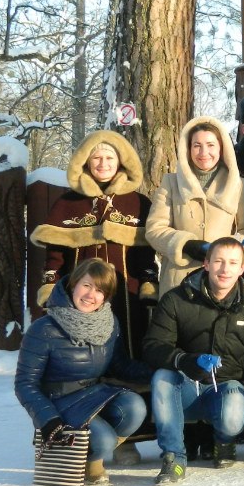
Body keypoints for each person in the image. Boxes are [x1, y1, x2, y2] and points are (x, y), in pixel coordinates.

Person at [15, 259, 152, 486]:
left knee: (134, 407)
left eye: (99, 290)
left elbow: (119, 365)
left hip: (93, 394)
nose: (91, 295)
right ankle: (84, 456)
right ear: (74, 284)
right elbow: (24, 383)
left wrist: (157, 372)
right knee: (105, 440)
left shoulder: (108, 323)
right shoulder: (44, 328)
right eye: (87, 285)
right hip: (59, 402)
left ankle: (87, 458)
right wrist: (47, 418)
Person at [144, 237, 244, 484]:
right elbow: (153, 346)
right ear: (206, 263)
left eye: (233, 263)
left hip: (227, 387)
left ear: (242, 268)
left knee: (233, 411)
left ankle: (224, 440)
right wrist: (184, 360)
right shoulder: (177, 299)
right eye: (218, 261)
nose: (225, 269)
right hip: (187, 387)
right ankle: (174, 457)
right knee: (163, 377)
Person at [30, 130, 159, 359]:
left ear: (121, 161)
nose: (103, 164)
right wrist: (51, 286)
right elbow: (55, 257)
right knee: (81, 348)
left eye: (109, 158)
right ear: (86, 161)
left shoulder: (138, 203)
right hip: (81, 294)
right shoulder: (67, 203)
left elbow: (145, 255)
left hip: (126, 292)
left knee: (127, 345)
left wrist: (149, 284)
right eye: (97, 158)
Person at [146, 117, 244, 299]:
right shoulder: (170, 183)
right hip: (178, 284)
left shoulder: (238, 185)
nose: (204, 152)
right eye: (197, 145)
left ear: (221, 148)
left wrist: (230, 257)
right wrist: (185, 244)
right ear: (187, 149)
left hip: (222, 283)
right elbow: (154, 229)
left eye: (211, 145)